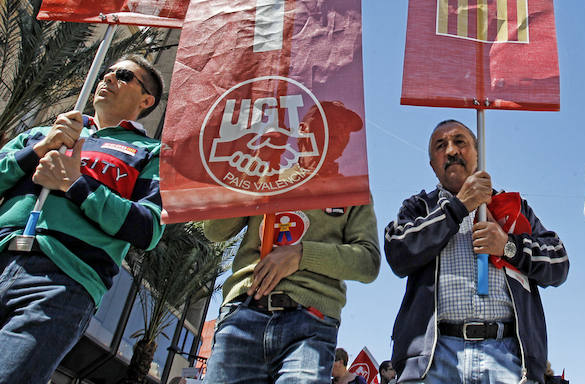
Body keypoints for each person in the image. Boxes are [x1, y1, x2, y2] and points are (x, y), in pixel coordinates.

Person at [0, 55, 166, 384]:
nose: (108, 79)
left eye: (122, 75)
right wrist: (39, 149)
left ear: (146, 100)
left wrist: (77, 185)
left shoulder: (152, 153)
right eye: (106, 72)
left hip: (62, 282)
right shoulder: (45, 132)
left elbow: (148, 229)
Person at [201, 102, 380, 384]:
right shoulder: (264, 173)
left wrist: (302, 254)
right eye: (329, 128)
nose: (339, 138)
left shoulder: (353, 192)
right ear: (302, 131)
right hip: (243, 313)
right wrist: (251, 165)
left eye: (344, 132)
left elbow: (368, 262)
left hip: (311, 323)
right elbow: (214, 230)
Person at [385, 119, 569, 384]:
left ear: (478, 153)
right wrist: (458, 207)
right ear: (432, 165)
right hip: (434, 358)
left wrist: (508, 246)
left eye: (460, 142)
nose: (451, 151)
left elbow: (558, 263)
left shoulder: (512, 208)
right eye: (440, 146)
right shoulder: (419, 207)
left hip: (508, 356)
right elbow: (397, 253)